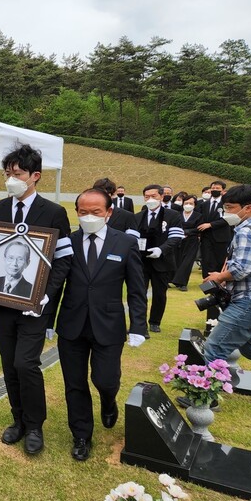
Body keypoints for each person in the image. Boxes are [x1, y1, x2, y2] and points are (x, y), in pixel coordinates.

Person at [0, 144, 72, 455]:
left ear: (35, 176)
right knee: (8, 364)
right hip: (2, 302)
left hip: (35, 306)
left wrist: (45, 295)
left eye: (16, 174)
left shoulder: (54, 213)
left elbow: (64, 260)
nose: (10, 179)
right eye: (7, 174)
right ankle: (17, 419)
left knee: (25, 363)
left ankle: (34, 425)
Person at [56, 189, 147, 461]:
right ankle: (81, 435)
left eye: (96, 212)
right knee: (74, 383)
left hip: (108, 324)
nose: (89, 217)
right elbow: (56, 283)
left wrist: (138, 326)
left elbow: (136, 289)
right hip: (72, 324)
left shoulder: (124, 243)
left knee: (105, 379)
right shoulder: (67, 241)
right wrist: (48, 321)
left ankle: (109, 401)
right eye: (83, 212)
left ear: (109, 212)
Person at [203, 184, 251, 370]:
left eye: (230, 208)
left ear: (248, 208)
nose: (226, 212)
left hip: (248, 301)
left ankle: (205, 398)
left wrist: (219, 276)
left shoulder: (246, 231)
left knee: (214, 348)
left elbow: (241, 270)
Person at [135, 184, 184, 333]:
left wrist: (161, 249)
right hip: (141, 261)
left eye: (154, 196)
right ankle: (139, 323)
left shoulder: (173, 215)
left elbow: (176, 237)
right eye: (147, 196)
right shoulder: (138, 216)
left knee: (159, 294)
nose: (150, 199)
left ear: (162, 197)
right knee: (138, 293)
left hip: (162, 261)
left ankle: (155, 321)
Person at [197, 180, 234, 330]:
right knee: (207, 263)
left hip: (221, 238)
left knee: (220, 264)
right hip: (206, 239)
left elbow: (227, 219)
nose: (214, 190)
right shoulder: (204, 204)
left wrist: (211, 225)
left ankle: (220, 291)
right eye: (213, 188)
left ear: (223, 191)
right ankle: (209, 290)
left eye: (217, 188)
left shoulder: (226, 203)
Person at [171, 195, 201, 291]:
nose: (188, 205)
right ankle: (172, 279)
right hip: (178, 240)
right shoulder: (177, 214)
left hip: (191, 241)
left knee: (187, 262)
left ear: (194, 205)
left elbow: (199, 228)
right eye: (186, 203)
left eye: (191, 203)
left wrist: (187, 232)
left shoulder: (198, 216)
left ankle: (182, 283)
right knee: (176, 260)